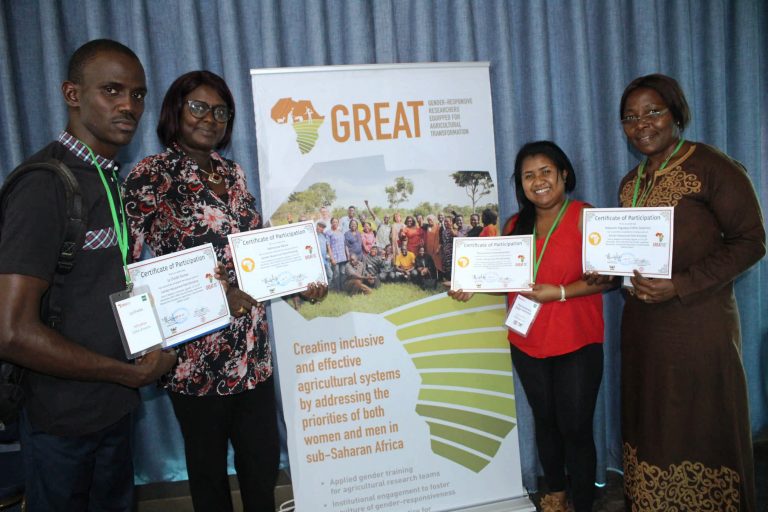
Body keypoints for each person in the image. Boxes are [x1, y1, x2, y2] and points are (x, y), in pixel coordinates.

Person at [123, 70, 325, 512]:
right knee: (209, 472)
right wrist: (216, 297)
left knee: (262, 464)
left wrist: (299, 281)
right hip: (196, 358)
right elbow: (130, 268)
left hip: (253, 352)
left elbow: (253, 253)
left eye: (220, 111)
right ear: (176, 110)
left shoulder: (232, 173)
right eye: (198, 107)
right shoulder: (151, 175)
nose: (210, 118)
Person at [0, 39, 177, 511]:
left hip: (113, 411)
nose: (128, 106)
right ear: (72, 94)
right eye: (112, 90)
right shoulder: (45, 185)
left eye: (138, 95)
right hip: (62, 422)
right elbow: (12, 332)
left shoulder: (107, 177)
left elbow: (102, 287)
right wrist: (125, 374)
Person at [609, 74, 763, 510]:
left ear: (676, 113)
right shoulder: (629, 182)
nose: (642, 124)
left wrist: (680, 285)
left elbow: (752, 241)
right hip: (642, 332)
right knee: (651, 423)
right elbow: (628, 254)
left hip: (698, 328)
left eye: (652, 112)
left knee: (699, 423)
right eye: (630, 117)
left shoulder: (712, 166)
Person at [451, 141, 610, 512]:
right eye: (528, 175)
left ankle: (583, 502)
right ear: (520, 183)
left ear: (563, 174)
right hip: (528, 342)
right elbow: (504, 277)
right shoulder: (513, 225)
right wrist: (469, 286)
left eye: (545, 172)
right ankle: (555, 493)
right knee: (546, 422)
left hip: (577, 341)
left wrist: (560, 292)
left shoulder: (587, 216)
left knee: (575, 427)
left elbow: (609, 279)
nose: (538, 181)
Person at [327, 217, 347, 290]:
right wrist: (332, 258)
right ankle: (337, 289)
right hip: (335, 257)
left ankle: (343, 288)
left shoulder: (341, 232)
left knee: (342, 273)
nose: (335, 223)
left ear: (338, 223)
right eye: (333, 222)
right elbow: (328, 246)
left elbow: (344, 244)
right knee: (336, 273)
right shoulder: (328, 233)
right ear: (331, 223)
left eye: (336, 222)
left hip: (343, 257)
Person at [316, 220, 333, 284]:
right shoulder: (313, 235)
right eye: (320, 226)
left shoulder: (323, 235)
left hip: (325, 260)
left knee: (330, 275)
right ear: (317, 226)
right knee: (319, 276)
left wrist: (330, 256)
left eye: (323, 227)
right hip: (317, 260)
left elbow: (327, 247)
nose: (321, 228)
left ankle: (327, 288)